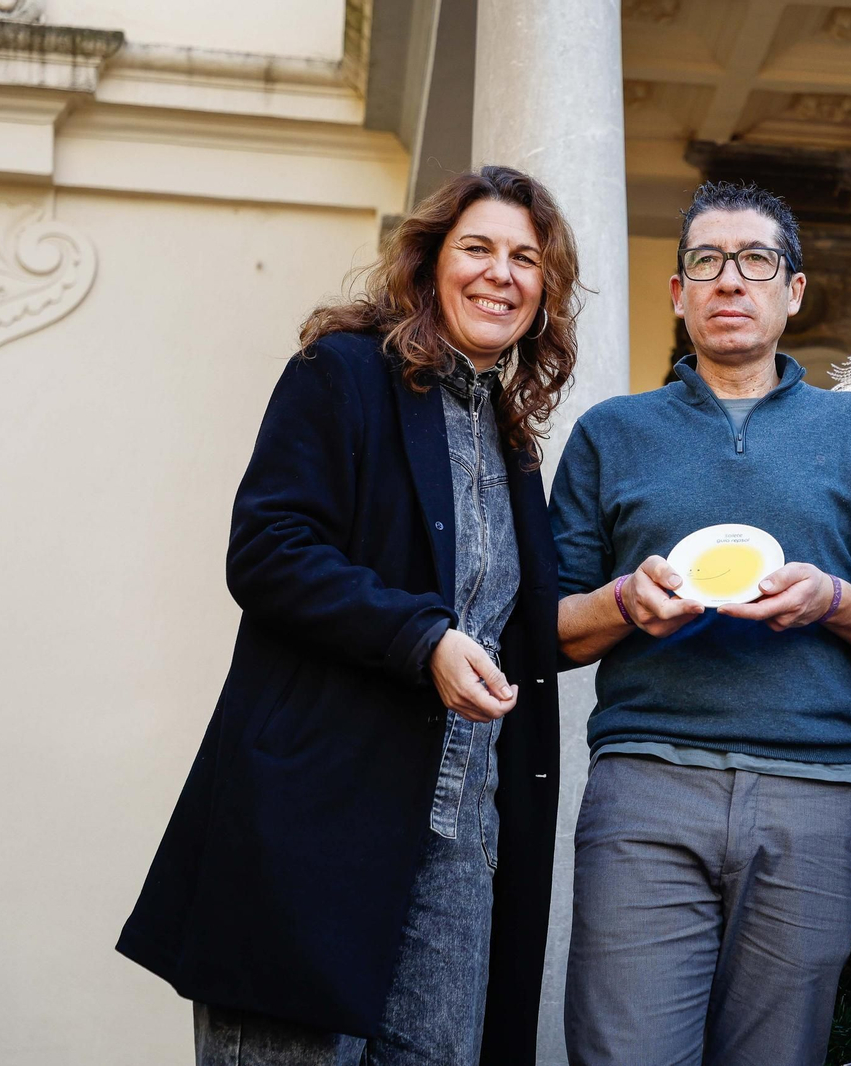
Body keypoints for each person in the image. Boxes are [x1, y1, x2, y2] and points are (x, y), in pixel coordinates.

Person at [116, 166, 579, 1065]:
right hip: (316, 823)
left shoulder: (511, 434)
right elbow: (268, 548)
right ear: (429, 260)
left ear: (545, 292)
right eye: (477, 248)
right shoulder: (342, 373)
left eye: (526, 258)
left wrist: (640, 605)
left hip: (458, 841)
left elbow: (520, 624)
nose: (501, 273)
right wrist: (422, 639)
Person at [550, 181, 851, 1066]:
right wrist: (623, 603)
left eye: (755, 262)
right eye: (706, 263)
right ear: (678, 295)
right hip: (647, 784)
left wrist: (833, 600)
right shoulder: (612, 433)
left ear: (793, 291)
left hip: (818, 794)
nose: (729, 281)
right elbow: (546, 626)